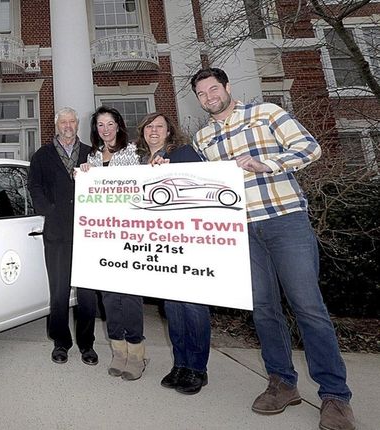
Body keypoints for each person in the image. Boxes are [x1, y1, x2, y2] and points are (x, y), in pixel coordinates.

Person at [190, 68, 355, 430]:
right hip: (243, 230)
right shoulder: (203, 138)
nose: (209, 97)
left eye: (213, 89)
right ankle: (282, 382)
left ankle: (335, 396)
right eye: (201, 94)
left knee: (308, 307)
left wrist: (266, 163)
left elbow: (310, 148)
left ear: (227, 87)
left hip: (285, 219)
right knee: (264, 309)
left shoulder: (266, 113)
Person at [136, 112, 211, 395]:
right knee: (173, 309)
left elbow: (202, 187)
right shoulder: (140, 163)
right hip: (160, 245)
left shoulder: (183, 154)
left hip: (188, 243)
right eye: (149, 127)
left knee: (193, 306)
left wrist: (172, 173)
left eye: (160, 127)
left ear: (169, 132)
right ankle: (180, 364)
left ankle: (197, 368)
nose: (154, 131)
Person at [28, 106, 98, 366]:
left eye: (72, 122)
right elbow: (34, 186)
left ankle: (87, 344)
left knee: (88, 294)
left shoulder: (92, 153)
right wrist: (49, 209)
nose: (68, 126)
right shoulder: (42, 156)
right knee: (58, 291)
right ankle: (61, 342)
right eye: (63, 122)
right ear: (56, 126)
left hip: (88, 233)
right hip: (57, 233)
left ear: (77, 125)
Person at [81, 106, 147, 380]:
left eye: (110, 124)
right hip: (103, 236)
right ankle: (118, 351)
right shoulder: (93, 157)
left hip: (129, 233)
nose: (105, 129)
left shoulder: (133, 152)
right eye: (100, 125)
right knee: (109, 297)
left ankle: (136, 353)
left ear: (118, 125)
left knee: (130, 295)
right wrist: (84, 173)